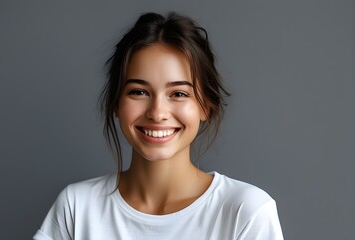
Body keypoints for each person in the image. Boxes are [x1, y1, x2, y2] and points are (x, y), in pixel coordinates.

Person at [33, 12, 284, 240]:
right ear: (115, 103)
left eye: (179, 94)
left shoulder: (245, 211)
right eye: (139, 91)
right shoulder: (77, 206)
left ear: (205, 105)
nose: (157, 113)